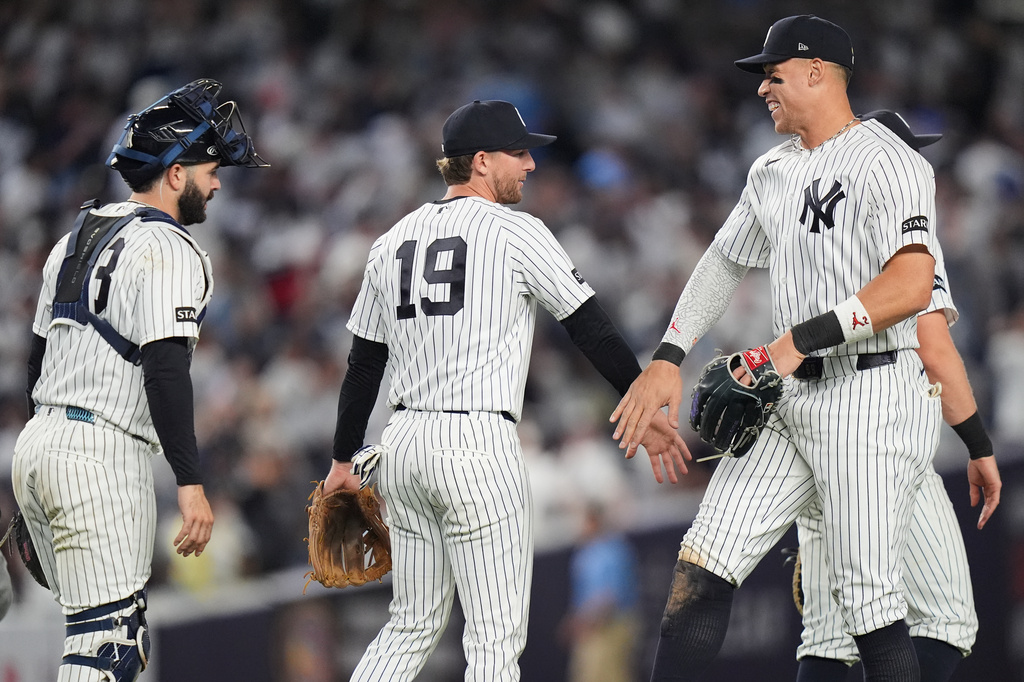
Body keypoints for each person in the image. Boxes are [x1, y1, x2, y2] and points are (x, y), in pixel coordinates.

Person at [610, 15, 944, 681]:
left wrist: (800, 338)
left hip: (873, 392)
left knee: (867, 603)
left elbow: (910, 284)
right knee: (701, 565)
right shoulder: (772, 169)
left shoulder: (890, 160)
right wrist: (667, 358)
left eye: (775, 74)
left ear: (817, 72)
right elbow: (723, 262)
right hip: (790, 392)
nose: (763, 87)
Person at [321, 99, 691, 682]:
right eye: (519, 153)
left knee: (411, 625)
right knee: (494, 640)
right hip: (476, 443)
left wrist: (342, 459)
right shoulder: (516, 231)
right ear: (482, 162)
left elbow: (364, 365)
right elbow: (589, 326)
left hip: (402, 444)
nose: (531, 165)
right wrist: (639, 398)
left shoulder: (389, 241)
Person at [10, 78, 267, 681]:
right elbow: (166, 368)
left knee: (92, 633)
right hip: (100, 453)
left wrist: (37, 479)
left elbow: (34, 363)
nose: (218, 181)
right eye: (209, 168)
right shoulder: (169, 247)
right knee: (110, 646)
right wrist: (191, 481)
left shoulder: (73, 239)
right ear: (175, 174)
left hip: (39, 443)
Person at [793, 111, 1002, 682]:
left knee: (831, 633)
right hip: (876, 433)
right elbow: (934, 349)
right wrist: (979, 446)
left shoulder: (813, 229)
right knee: (945, 620)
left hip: (807, 421)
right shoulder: (905, 244)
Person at [560, 503, 642, 682]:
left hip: (612, 628)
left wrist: (585, 622)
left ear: (593, 521)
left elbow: (610, 597)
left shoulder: (613, 551)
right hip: (590, 630)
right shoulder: (583, 554)